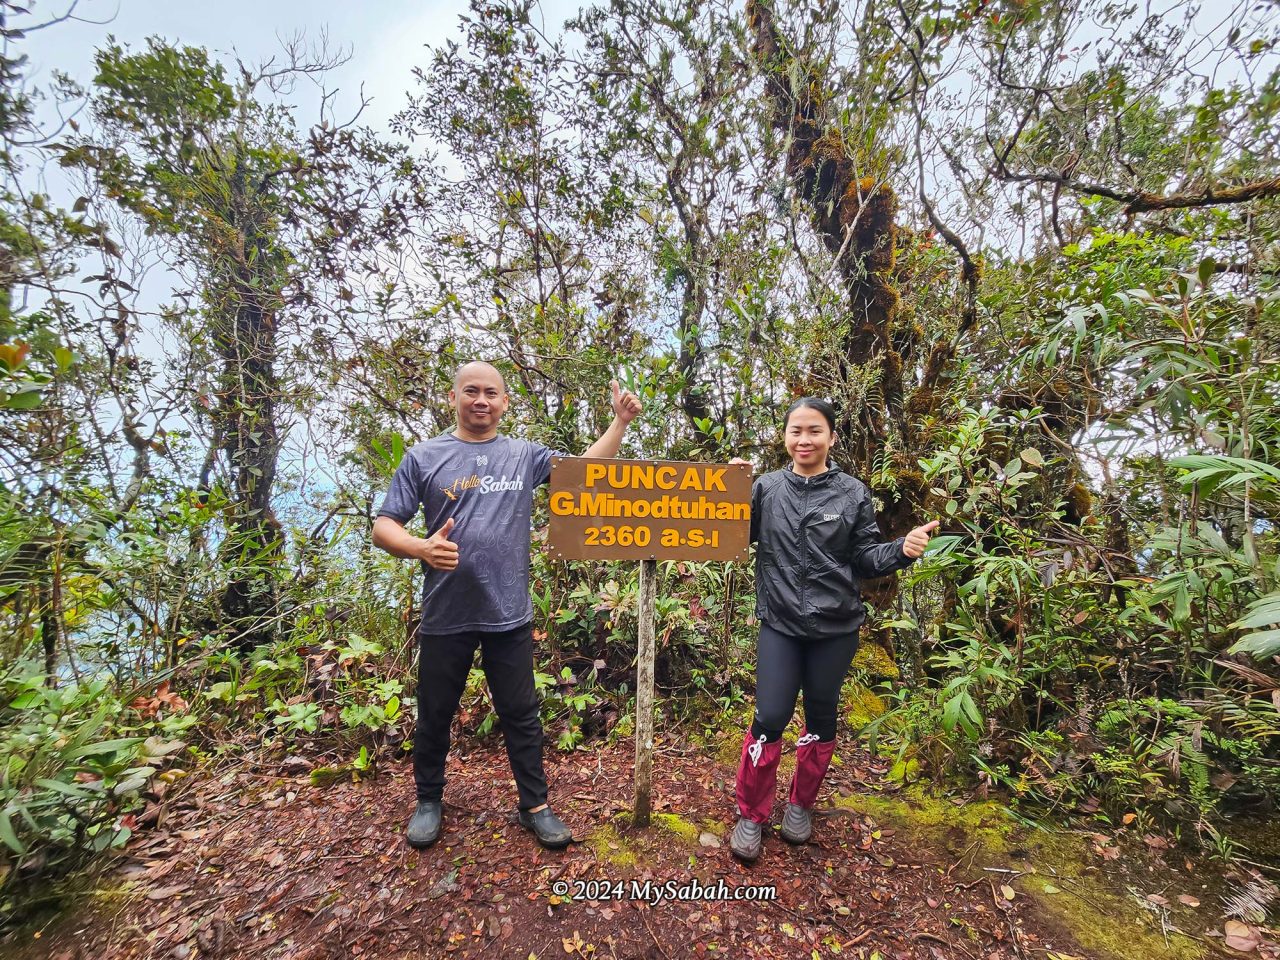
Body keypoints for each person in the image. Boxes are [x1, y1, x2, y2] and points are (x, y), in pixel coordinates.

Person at [372, 361, 641, 849]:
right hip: (445, 612)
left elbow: (582, 473)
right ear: (453, 397)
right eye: (471, 391)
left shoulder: (523, 455)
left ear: (504, 401)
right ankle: (429, 799)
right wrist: (420, 547)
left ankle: (534, 806)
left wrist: (618, 423)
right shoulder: (424, 456)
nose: (481, 400)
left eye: (490, 393)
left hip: (508, 613)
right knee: (435, 712)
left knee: (521, 712)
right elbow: (384, 525)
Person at [729, 397, 938, 861]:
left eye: (814, 431)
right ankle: (752, 812)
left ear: (831, 437)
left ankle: (800, 805)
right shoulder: (765, 488)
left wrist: (902, 549)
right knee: (769, 718)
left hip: (836, 627)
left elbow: (864, 556)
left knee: (821, 717)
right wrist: (730, 490)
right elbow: (729, 535)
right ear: (784, 437)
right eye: (796, 431)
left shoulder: (851, 492)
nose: (804, 440)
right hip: (780, 624)